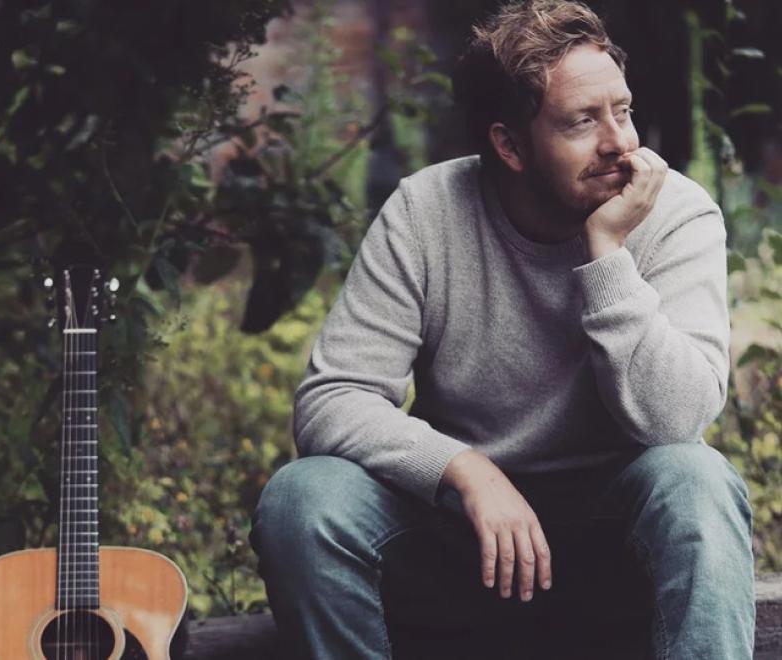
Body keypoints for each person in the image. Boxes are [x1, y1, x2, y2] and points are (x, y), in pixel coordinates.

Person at [249, 1, 756, 658]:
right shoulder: (427, 212)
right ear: (509, 144)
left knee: (697, 480)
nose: (621, 144)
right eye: (582, 121)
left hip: (614, 544)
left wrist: (606, 256)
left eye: (622, 111)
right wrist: (467, 470)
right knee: (303, 498)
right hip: (465, 540)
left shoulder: (675, 214)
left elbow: (677, 422)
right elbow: (332, 398)